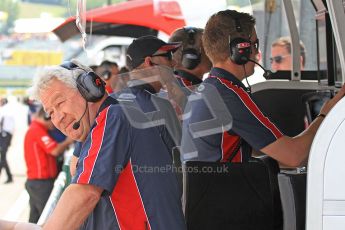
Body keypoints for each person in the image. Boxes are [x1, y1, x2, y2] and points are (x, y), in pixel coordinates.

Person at [29, 60, 186, 229]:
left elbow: (85, 194)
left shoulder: (113, 116)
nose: (58, 117)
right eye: (51, 112)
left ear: (88, 89)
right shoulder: (97, 125)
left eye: (60, 103)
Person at [181, 9, 345, 167]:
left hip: (213, 191)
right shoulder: (228, 95)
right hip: (227, 193)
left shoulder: (209, 89)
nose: (257, 52)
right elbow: (295, 157)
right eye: (255, 44)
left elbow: (273, 155)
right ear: (240, 50)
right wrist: (326, 114)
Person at [24, 106, 73, 223]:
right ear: (46, 116)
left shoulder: (38, 129)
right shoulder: (36, 129)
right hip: (41, 183)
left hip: (38, 183)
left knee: (35, 220)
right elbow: (55, 150)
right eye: (53, 116)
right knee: (48, 220)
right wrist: (69, 140)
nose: (56, 124)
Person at [0, 97, 14, 184]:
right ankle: (9, 176)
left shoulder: (4, 110)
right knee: (3, 157)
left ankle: (9, 176)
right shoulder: (9, 110)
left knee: (3, 157)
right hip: (6, 135)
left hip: (4, 135)